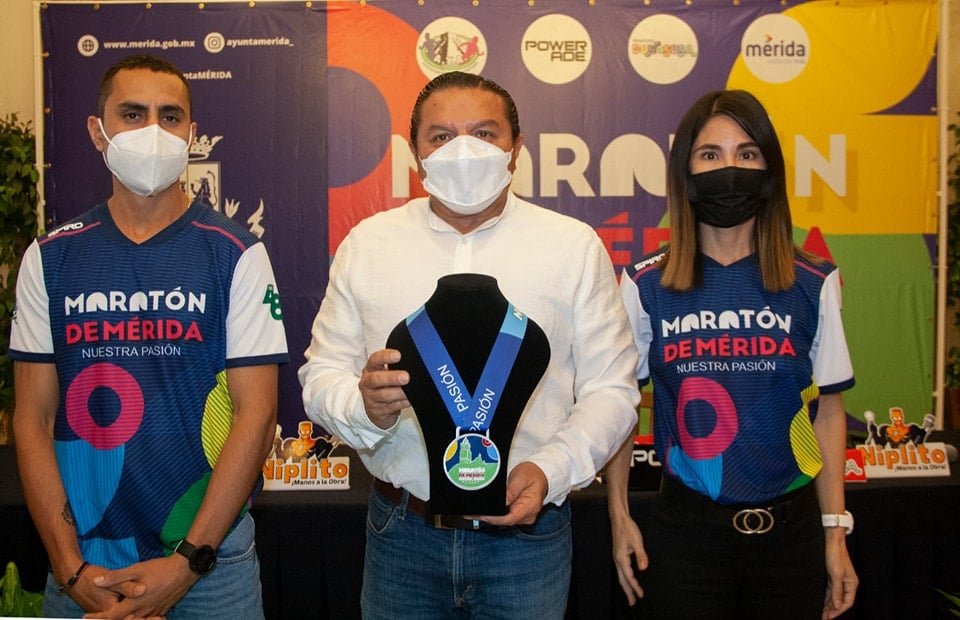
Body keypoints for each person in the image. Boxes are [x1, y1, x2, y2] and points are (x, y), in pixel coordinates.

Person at [298, 70, 640, 618]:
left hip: (527, 540)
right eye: (441, 136)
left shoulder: (572, 248)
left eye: (483, 134)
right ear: (415, 154)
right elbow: (320, 376)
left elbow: (613, 391)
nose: (463, 150)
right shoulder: (368, 245)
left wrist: (550, 471)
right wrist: (364, 407)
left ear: (516, 148)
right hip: (403, 533)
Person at [9, 54, 288, 619]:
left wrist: (188, 561)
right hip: (86, 564)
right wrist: (68, 566)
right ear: (98, 131)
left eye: (170, 116)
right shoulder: (50, 257)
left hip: (212, 566)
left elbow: (255, 417)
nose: (153, 131)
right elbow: (32, 418)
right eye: (133, 114)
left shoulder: (236, 253)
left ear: (190, 134)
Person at [606, 90, 859, 619]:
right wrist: (618, 515)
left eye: (747, 153)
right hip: (686, 540)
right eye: (710, 154)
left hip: (791, 541)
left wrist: (835, 532)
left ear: (769, 171)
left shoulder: (813, 282)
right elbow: (619, 407)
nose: (730, 169)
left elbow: (829, 412)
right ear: (686, 172)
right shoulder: (646, 284)